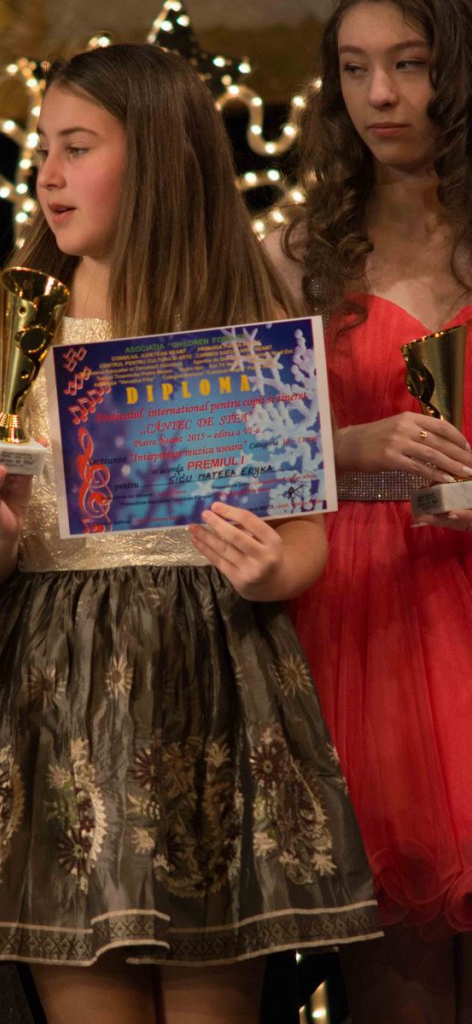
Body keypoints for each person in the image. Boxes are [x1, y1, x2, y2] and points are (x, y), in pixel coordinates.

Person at [0, 43, 381, 1024]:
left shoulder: (241, 322)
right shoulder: (13, 322)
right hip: (52, 687)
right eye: (41, 149)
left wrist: (268, 569)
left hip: (207, 675)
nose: (46, 174)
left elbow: (302, 537)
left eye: (77, 146)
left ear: (160, 157)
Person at [265, 1, 472, 1021]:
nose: (378, 96)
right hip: (366, 614)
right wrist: (347, 448)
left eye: (408, 64)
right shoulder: (298, 252)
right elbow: (242, 456)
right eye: (353, 69)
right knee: (398, 978)